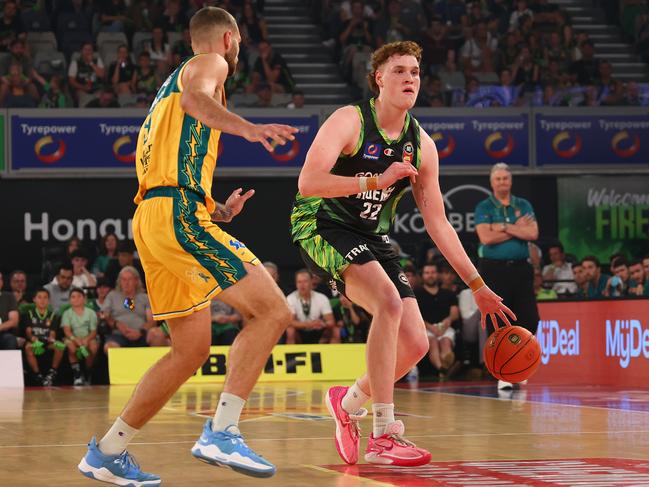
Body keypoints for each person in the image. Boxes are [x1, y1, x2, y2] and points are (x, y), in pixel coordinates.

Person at [78, 7, 296, 485]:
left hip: (156, 217)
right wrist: (250, 129)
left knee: (190, 349)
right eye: (237, 42)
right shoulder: (209, 65)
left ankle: (108, 451)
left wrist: (216, 210)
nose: (236, 52)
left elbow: (171, 160)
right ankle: (222, 429)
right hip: (177, 215)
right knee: (274, 311)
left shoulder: (161, 95)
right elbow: (198, 101)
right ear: (227, 38)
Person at [291, 41, 513, 467]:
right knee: (388, 303)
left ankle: (348, 401)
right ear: (379, 78)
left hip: (371, 236)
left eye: (415, 71)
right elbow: (308, 182)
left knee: (414, 344)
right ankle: (383, 432)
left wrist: (478, 285)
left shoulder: (421, 144)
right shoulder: (350, 120)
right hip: (320, 224)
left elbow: (439, 224)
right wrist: (375, 181)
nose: (410, 78)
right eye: (399, 71)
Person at [474, 162, 539, 389]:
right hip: (494, 269)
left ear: (510, 181)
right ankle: (503, 374)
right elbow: (486, 238)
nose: (502, 182)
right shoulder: (484, 206)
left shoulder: (523, 204)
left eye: (505, 178)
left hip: (521, 267)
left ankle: (519, 366)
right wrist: (514, 228)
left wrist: (501, 227)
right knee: (498, 317)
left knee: (530, 318)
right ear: (492, 182)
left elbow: (532, 233)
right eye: (498, 179)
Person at [416, 263, 459, 374]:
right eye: (427, 273)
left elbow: (454, 314)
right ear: (422, 276)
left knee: (446, 342)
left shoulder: (448, 294)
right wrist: (430, 327)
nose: (430, 275)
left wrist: (447, 322)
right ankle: (441, 369)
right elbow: (415, 316)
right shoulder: (416, 294)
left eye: (433, 272)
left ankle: (445, 365)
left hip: (445, 327)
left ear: (438, 275)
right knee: (433, 342)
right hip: (425, 328)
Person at [102, 266, 154, 350]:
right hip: (118, 334)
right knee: (109, 347)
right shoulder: (112, 295)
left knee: (158, 335)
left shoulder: (145, 297)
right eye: (123, 279)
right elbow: (103, 315)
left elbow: (151, 321)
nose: (126, 283)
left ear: (136, 281)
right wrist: (116, 324)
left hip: (142, 334)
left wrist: (140, 332)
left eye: (129, 279)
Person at [21, 288, 63, 386]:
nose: (42, 300)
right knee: (28, 347)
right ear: (34, 299)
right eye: (39, 297)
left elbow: (52, 334)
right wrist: (33, 339)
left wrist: (51, 340)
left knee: (60, 346)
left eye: (45, 298)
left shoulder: (53, 316)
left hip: (47, 341)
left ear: (48, 300)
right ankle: (37, 375)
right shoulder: (29, 314)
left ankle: (52, 373)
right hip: (34, 341)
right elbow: (28, 332)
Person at [285, 269, 336, 344]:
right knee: (290, 330)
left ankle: (330, 354)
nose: (302, 285)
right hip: (300, 331)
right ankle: (291, 354)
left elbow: (331, 321)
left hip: (317, 329)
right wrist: (309, 324)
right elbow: (290, 322)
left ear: (311, 282)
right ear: (296, 284)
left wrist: (322, 324)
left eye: (305, 281)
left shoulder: (322, 298)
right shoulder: (290, 298)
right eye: (299, 282)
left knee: (335, 330)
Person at [61, 288, 99, 385]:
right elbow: (67, 331)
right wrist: (75, 339)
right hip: (72, 337)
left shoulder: (91, 313)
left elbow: (94, 331)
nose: (76, 299)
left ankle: (87, 372)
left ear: (84, 299)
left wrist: (86, 339)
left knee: (93, 348)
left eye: (79, 296)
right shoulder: (67, 313)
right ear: (70, 300)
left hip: (88, 337)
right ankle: (77, 374)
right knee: (71, 347)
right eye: (73, 297)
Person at [0, 272, 19, 350]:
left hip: (2, 334)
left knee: (10, 339)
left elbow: (14, 321)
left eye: (0, 279)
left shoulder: (9, 297)